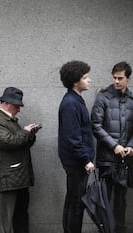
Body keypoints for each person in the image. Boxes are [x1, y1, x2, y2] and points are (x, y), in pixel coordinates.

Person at [0, 87, 39, 233]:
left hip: (17, 175)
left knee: (20, 215)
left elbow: (19, 143)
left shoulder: (8, 120)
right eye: (17, 105)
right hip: (9, 176)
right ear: (7, 103)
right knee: (5, 218)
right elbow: (8, 142)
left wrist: (30, 135)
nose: (19, 109)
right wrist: (25, 132)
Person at [91, 61, 133, 233]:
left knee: (122, 200)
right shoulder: (103, 97)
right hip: (107, 159)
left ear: (128, 79)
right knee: (105, 199)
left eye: (120, 78)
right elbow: (95, 125)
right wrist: (114, 145)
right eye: (114, 78)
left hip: (125, 160)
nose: (116, 81)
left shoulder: (132, 100)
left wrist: (131, 146)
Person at [58, 61, 95, 233]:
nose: (89, 80)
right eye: (85, 77)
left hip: (76, 161)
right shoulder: (71, 103)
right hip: (77, 162)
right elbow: (73, 137)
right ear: (75, 82)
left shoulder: (75, 100)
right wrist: (86, 159)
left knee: (73, 200)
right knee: (76, 204)